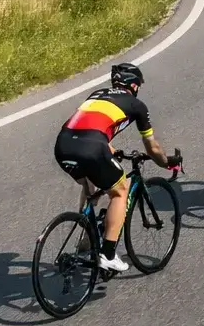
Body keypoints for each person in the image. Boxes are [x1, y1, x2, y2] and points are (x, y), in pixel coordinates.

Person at [55, 62, 178, 274]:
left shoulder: (97, 95)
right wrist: (167, 163)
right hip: (92, 147)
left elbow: (93, 125)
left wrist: (110, 148)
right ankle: (108, 254)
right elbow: (152, 148)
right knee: (120, 191)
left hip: (64, 145)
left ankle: (86, 237)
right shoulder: (136, 105)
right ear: (134, 86)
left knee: (90, 183)